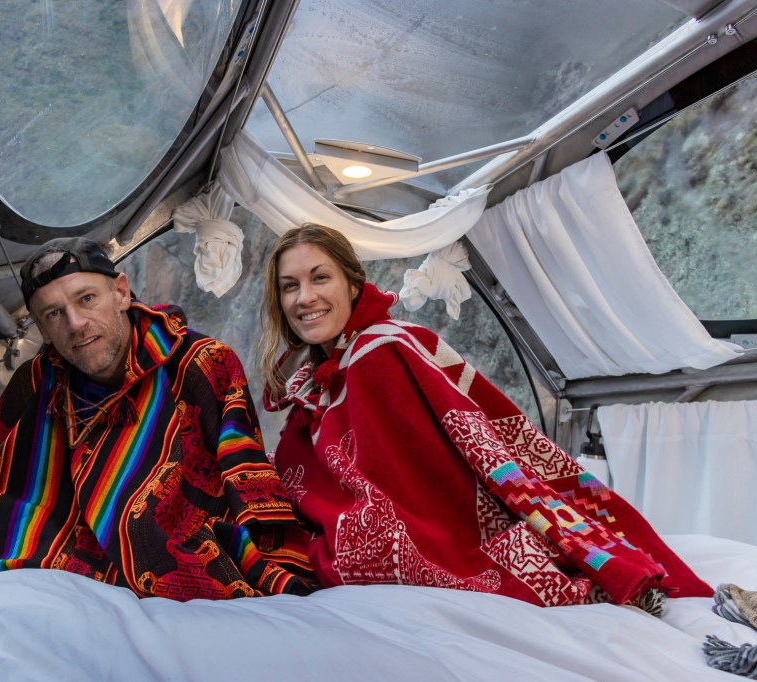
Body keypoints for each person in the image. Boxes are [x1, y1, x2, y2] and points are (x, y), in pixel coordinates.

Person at [259, 224, 712, 610]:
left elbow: (415, 476)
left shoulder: (382, 349)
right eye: (290, 285)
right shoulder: (317, 380)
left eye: (320, 278)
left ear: (353, 285)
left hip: (447, 531)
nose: (306, 297)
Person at [0, 237, 314, 618]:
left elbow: (247, 476)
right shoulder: (35, 383)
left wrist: (278, 571)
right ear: (42, 328)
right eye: (53, 314)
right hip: (67, 560)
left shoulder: (201, 362)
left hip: (183, 557)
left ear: (120, 292)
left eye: (87, 299)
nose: (76, 323)